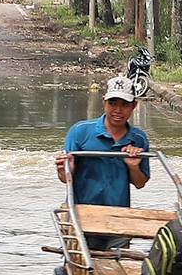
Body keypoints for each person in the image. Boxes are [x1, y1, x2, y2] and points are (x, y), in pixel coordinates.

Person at [54, 75, 150, 250]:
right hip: (82, 216)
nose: (118, 110)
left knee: (118, 269)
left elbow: (140, 183)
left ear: (134, 106)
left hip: (119, 219)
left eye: (124, 105)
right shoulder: (80, 132)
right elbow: (65, 177)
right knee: (80, 268)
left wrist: (133, 165)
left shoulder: (138, 139)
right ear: (104, 102)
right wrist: (66, 169)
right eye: (113, 103)